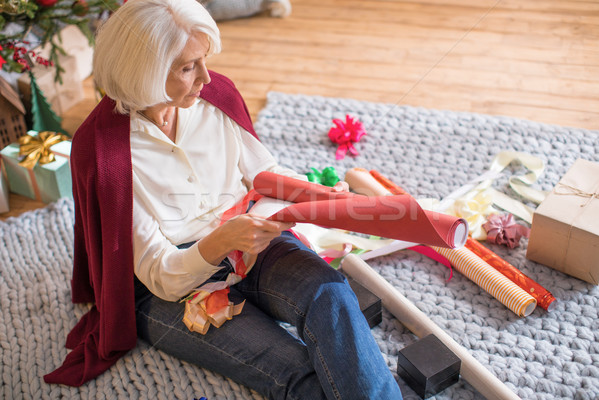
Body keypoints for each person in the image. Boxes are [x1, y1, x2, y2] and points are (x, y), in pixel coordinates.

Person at [44, 0, 403, 398]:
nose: (205, 77)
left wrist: (313, 193)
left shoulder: (215, 97)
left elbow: (263, 173)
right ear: (143, 73)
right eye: (187, 67)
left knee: (332, 294)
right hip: (174, 285)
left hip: (252, 240)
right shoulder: (103, 151)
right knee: (292, 370)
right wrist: (223, 240)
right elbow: (161, 277)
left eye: (203, 60)